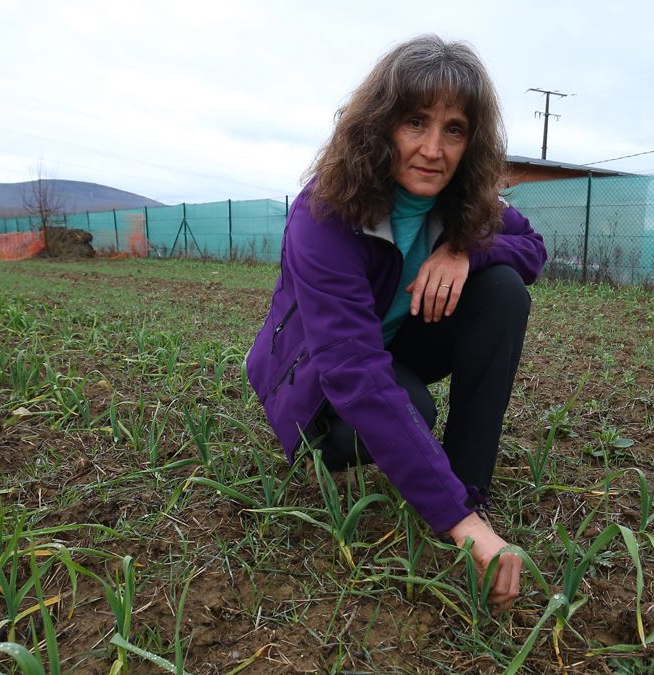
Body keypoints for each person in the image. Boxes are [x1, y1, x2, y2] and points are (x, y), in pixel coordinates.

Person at [245, 35, 546, 611]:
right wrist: (455, 523)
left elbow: (532, 247)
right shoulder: (324, 213)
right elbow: (353, 370)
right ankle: (337, 462)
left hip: (399, 347)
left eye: (454, 128)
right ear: (381, 126)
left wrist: (464, 250)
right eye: (415, 122)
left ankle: (469, 490)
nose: (433, 149)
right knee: (409, 411)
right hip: (318, 378)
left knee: (503, 290)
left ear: (471, 141)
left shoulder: (467, 201)